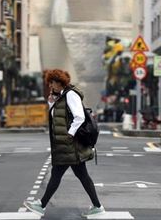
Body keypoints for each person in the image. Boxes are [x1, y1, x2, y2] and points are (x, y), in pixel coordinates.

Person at [24, 69, 105, 218]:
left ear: (60, 82)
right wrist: (51, 103)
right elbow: (57, 119)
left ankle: (41, 205)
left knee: (58, 174)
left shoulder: (71, 95)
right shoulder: (61, 97)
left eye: (53, 83)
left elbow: (79, 117)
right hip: (66, 146)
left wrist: (70, 134)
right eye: (50, 83)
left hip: (70, 145)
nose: (51, 86)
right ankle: (97, 207)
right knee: (80, 176)